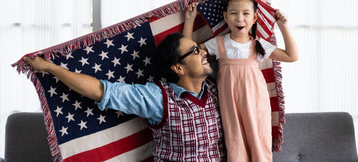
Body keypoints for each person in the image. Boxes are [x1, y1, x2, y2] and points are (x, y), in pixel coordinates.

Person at [23, 32, 227, 161]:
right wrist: (49, 67)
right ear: (178, 68)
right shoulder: (157, 97)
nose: (203, 52)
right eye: (195, 50)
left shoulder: (216, 88)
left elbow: (244, 45)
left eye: (200, 48)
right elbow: (100, 90)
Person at [183, 0, 298, 162]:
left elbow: (291, 56)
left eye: (245, 14)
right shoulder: (218, 43)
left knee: (259, 144)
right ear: (225, 17)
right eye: (234, 14)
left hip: (256, 104)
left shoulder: (258, 45)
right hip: (230, 105)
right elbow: (187, 51)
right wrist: (190, 21)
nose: (239, 18)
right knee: (235, 145)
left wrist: (284, 26)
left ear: (254, 19)